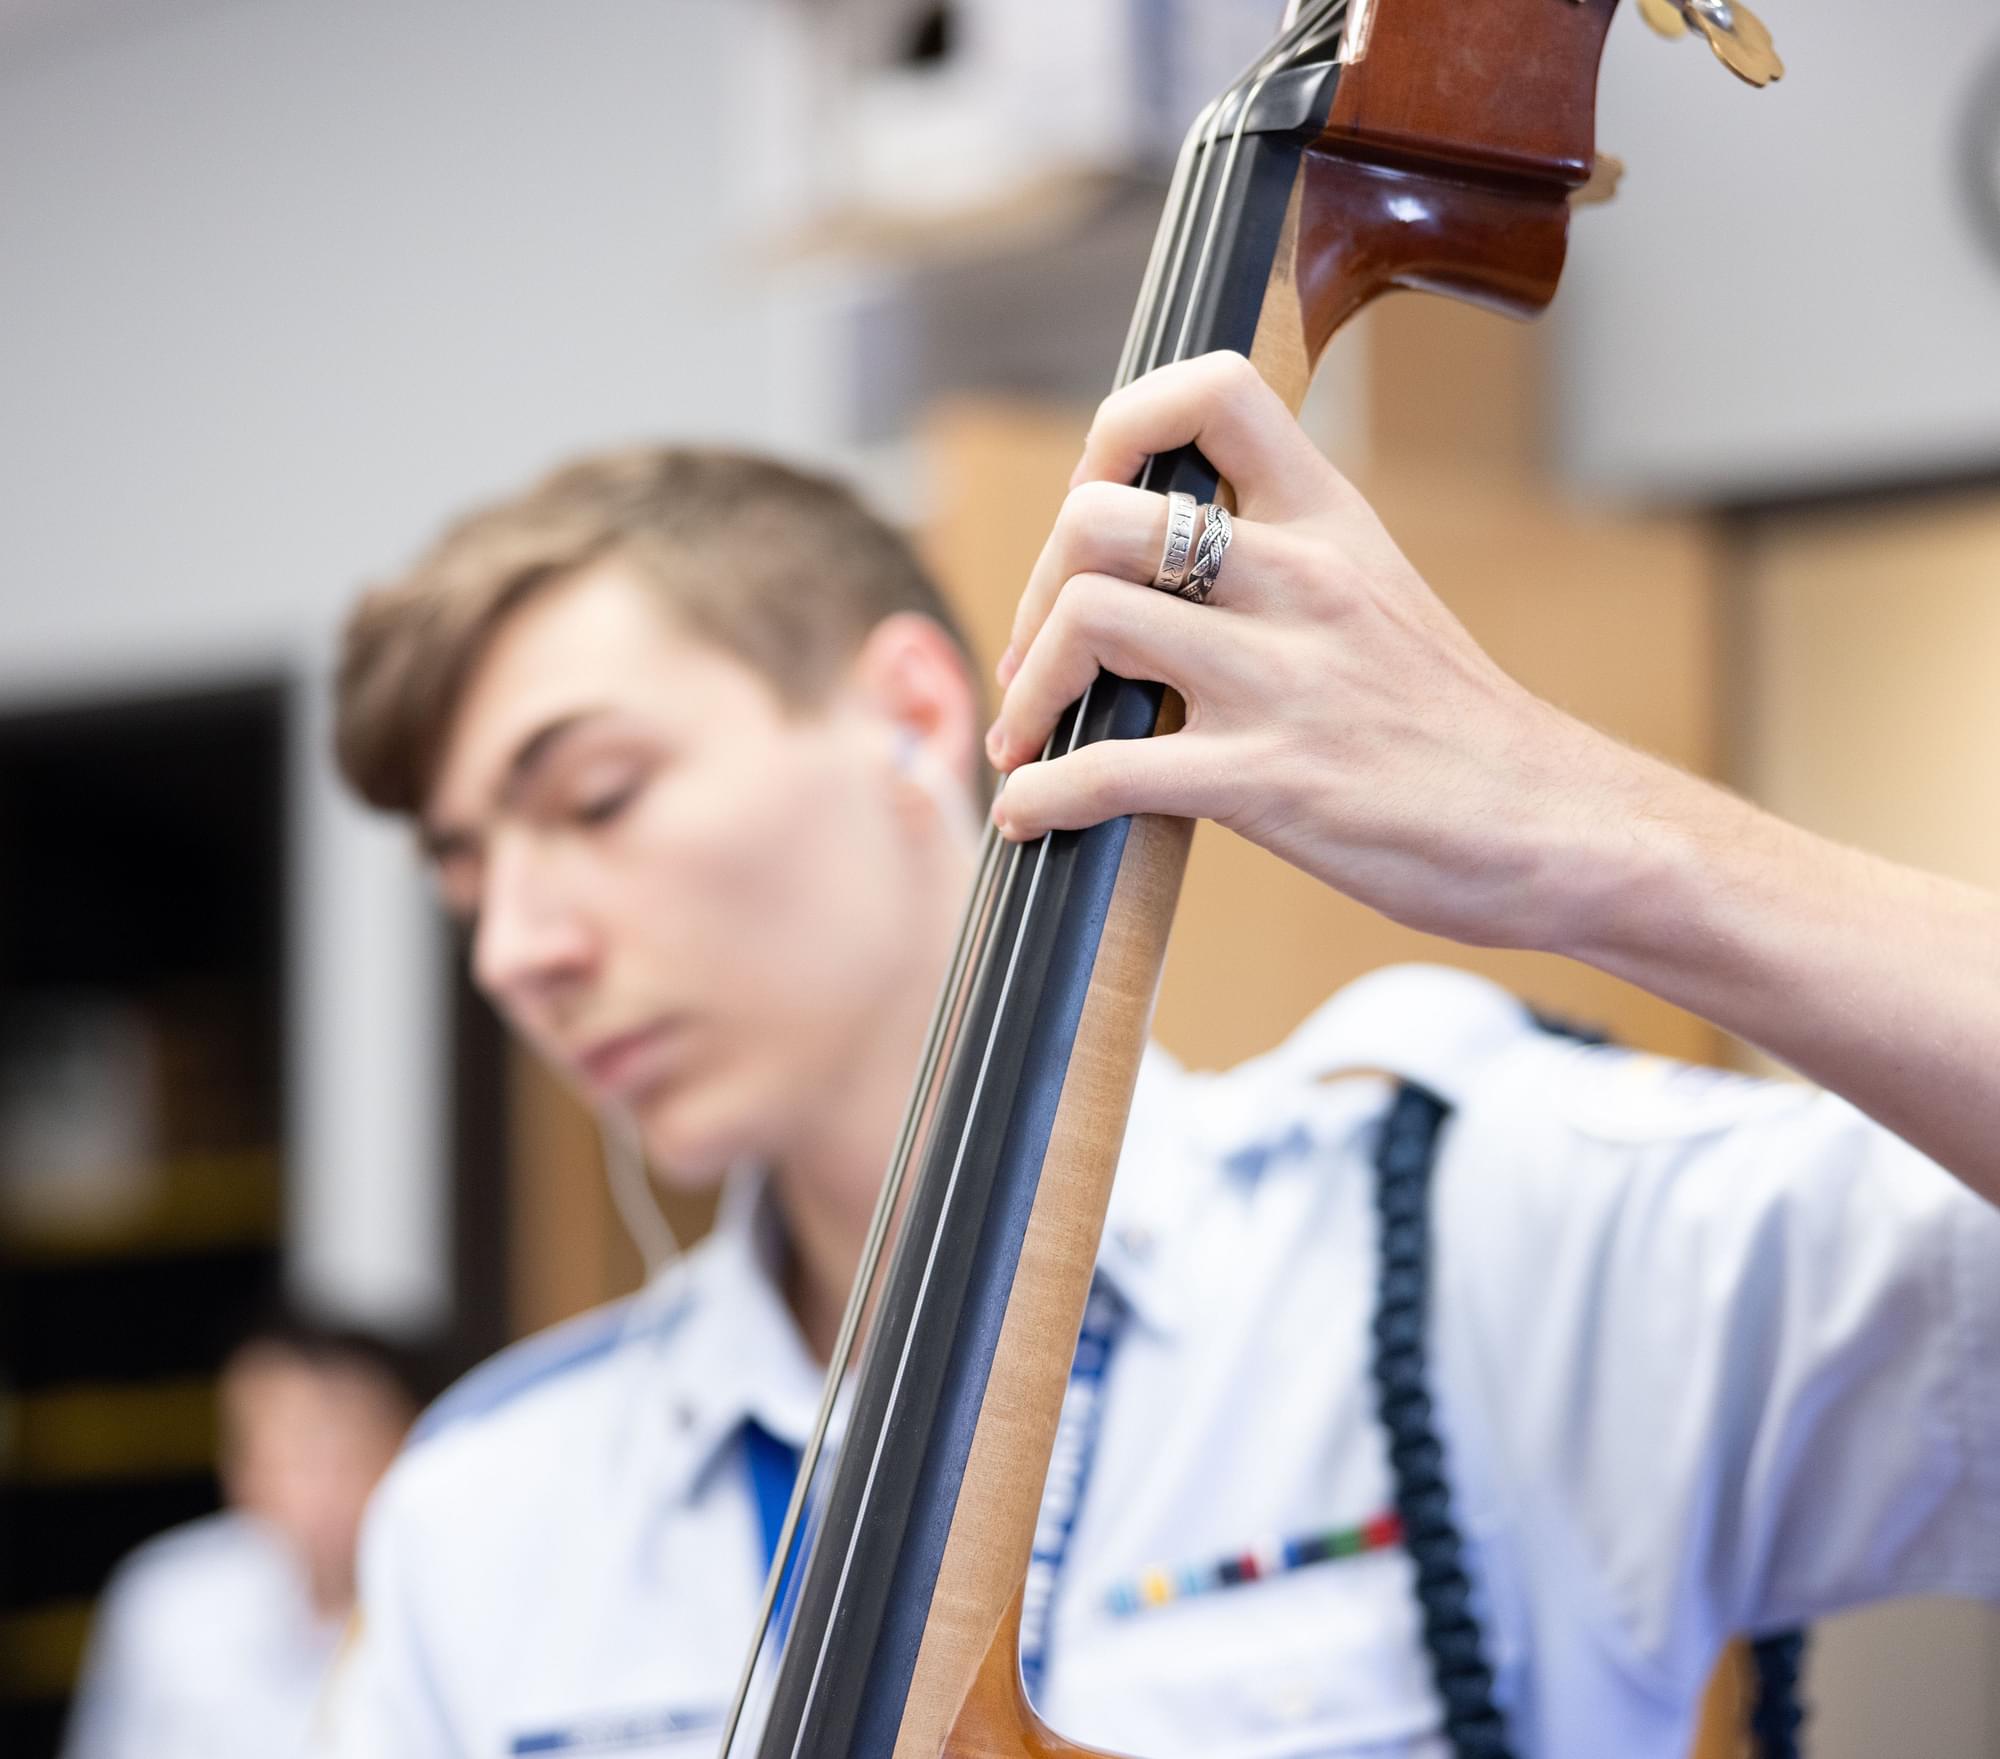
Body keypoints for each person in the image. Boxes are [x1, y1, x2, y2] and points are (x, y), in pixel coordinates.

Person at [315, 372, 1999, 1759]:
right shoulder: (488, 1506)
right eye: (463, 867)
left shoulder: (1494, 1226)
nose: (513, 945)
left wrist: (1596, 836)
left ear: (908, 712)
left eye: (594, 799)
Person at [63, 1309, 417, 1759]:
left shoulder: (443, 1603)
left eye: (347, 1454)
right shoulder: (168, 1602)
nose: (325, 1489)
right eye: (293, 1458)